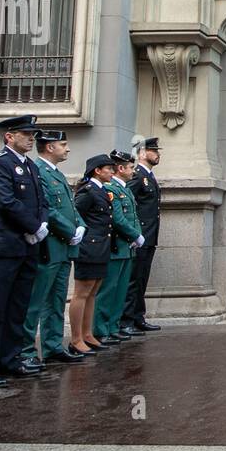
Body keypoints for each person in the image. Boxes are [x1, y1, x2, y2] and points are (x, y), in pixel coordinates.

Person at [0, 115, 48, 383]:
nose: (31, 138)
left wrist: (42, 225)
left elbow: (42, 201)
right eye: (25, 134)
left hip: (26, 248)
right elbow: (5, 201)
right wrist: (32, 227)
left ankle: (10, 359)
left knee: (18, 307)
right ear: (9, 136)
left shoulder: (31, 167)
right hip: (2, 247)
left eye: (33, 134)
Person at [20, 129, 85, 365]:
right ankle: (27, 350)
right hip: (49, 246)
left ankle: (52, 345)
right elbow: (48, 208)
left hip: (64, 247)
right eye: (63, 144)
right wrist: (70, 230)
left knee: (56, 300)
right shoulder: (39, 171)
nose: (67, 149)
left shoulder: (55, 173)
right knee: (36, 301)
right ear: (50, 147)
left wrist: (80, 226)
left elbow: (70, 206)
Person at [95, 151, 144, 345]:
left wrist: (137, 235)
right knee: (108, 291)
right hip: (117, 246)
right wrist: (134, 235)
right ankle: (101, 329)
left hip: (127, 247)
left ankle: (113, 326)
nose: (134, 171)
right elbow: (117, 218)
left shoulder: (125, 189)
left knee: (120, 291)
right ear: (121, 168)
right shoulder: (111, 189)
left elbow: (133, 216)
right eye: (131, 167)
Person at [71, 154, 116, 354]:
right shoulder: (88, 191)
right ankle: (76, 338)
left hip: (101, 247)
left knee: (93, 292)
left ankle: (87, 334)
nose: (112, 172)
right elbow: (75, 213)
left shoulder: (101, 190)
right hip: (89, 247)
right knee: (82, 293)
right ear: (97, 170)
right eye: (109, 168)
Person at [122, 136, 162, 333]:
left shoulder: (149, 176)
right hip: (140, 236)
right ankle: (127, 320)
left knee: (141, 279)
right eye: (154, 151)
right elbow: (127, 204)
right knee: (133, 279)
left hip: (149, 235)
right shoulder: (137, 175)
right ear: (143, 153)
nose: (158, 154)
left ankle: (138, 317)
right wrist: (133, 233)